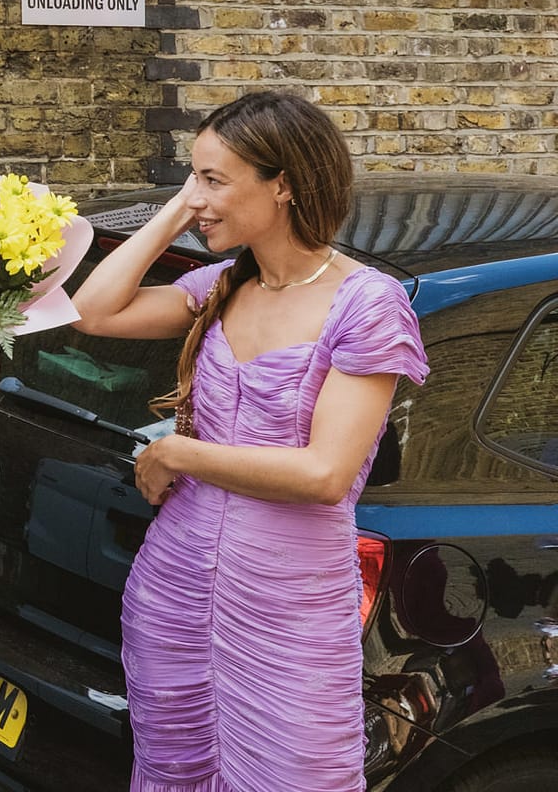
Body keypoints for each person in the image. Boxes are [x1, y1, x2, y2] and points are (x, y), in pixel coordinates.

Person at [69, 89, 429, 792]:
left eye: (214, 179)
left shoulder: (366, 304)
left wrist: (177, 452)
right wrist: (178, 209)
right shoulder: (222, 287)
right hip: (174, 585)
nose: (198, 197)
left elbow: (325, 474)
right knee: (172, 769)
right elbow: (91, 312)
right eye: (193, 178)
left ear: (283, 184)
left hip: (288, 601)